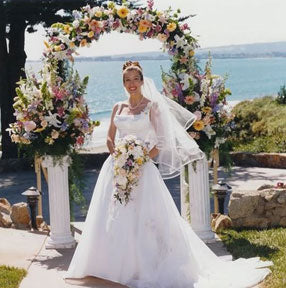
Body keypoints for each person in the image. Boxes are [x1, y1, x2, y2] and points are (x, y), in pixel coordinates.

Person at [65, 61, 272, 287]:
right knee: (114, 214)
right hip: (116, 168)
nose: (131, 84)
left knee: (146, 217)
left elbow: (161, 142)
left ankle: (143, 266)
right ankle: (111, 266)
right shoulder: (117, 107)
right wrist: (118, 154)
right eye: (127, 80)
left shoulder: (151, 106)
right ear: (123, 83)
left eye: (135, 79)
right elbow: (109, 137)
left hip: (142, 170)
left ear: (142, 81)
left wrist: (140, 159)